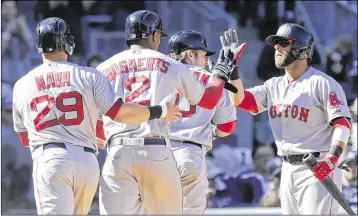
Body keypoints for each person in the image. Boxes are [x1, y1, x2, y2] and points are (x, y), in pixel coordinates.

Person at [12, 17, 181, 215]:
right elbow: (119, 113)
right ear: (68, 43)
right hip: (86, 161)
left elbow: (25, 138)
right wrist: (158, 111)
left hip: (50, 158)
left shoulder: (22, 84)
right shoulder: (89, 75)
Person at [95, 10, 237, 215]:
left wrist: (104, 136)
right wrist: (220, 77)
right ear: (153, 36)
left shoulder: (103, 68)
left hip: (118, 151)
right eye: (159, 35)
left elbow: (94, 120)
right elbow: (209, 101)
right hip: (158, 151)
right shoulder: (171, 65)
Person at [222, 24, 352, 214]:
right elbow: (241, 100)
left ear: (302, 51)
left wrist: (332, 159)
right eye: (276, 43)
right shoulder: (273, 85)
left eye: (283, 43)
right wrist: (233, 70)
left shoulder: (322, 83)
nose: (277, 48)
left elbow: (343, 124)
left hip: (318, 167)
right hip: (287, 167)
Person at [167, 30, 238, 214]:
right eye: (203, 55)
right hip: (190, 154)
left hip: (157, 152)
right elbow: (226, 127)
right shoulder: (213, 80)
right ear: (190, 54)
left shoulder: (159, 75)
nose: (205, 61)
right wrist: (212, 132)